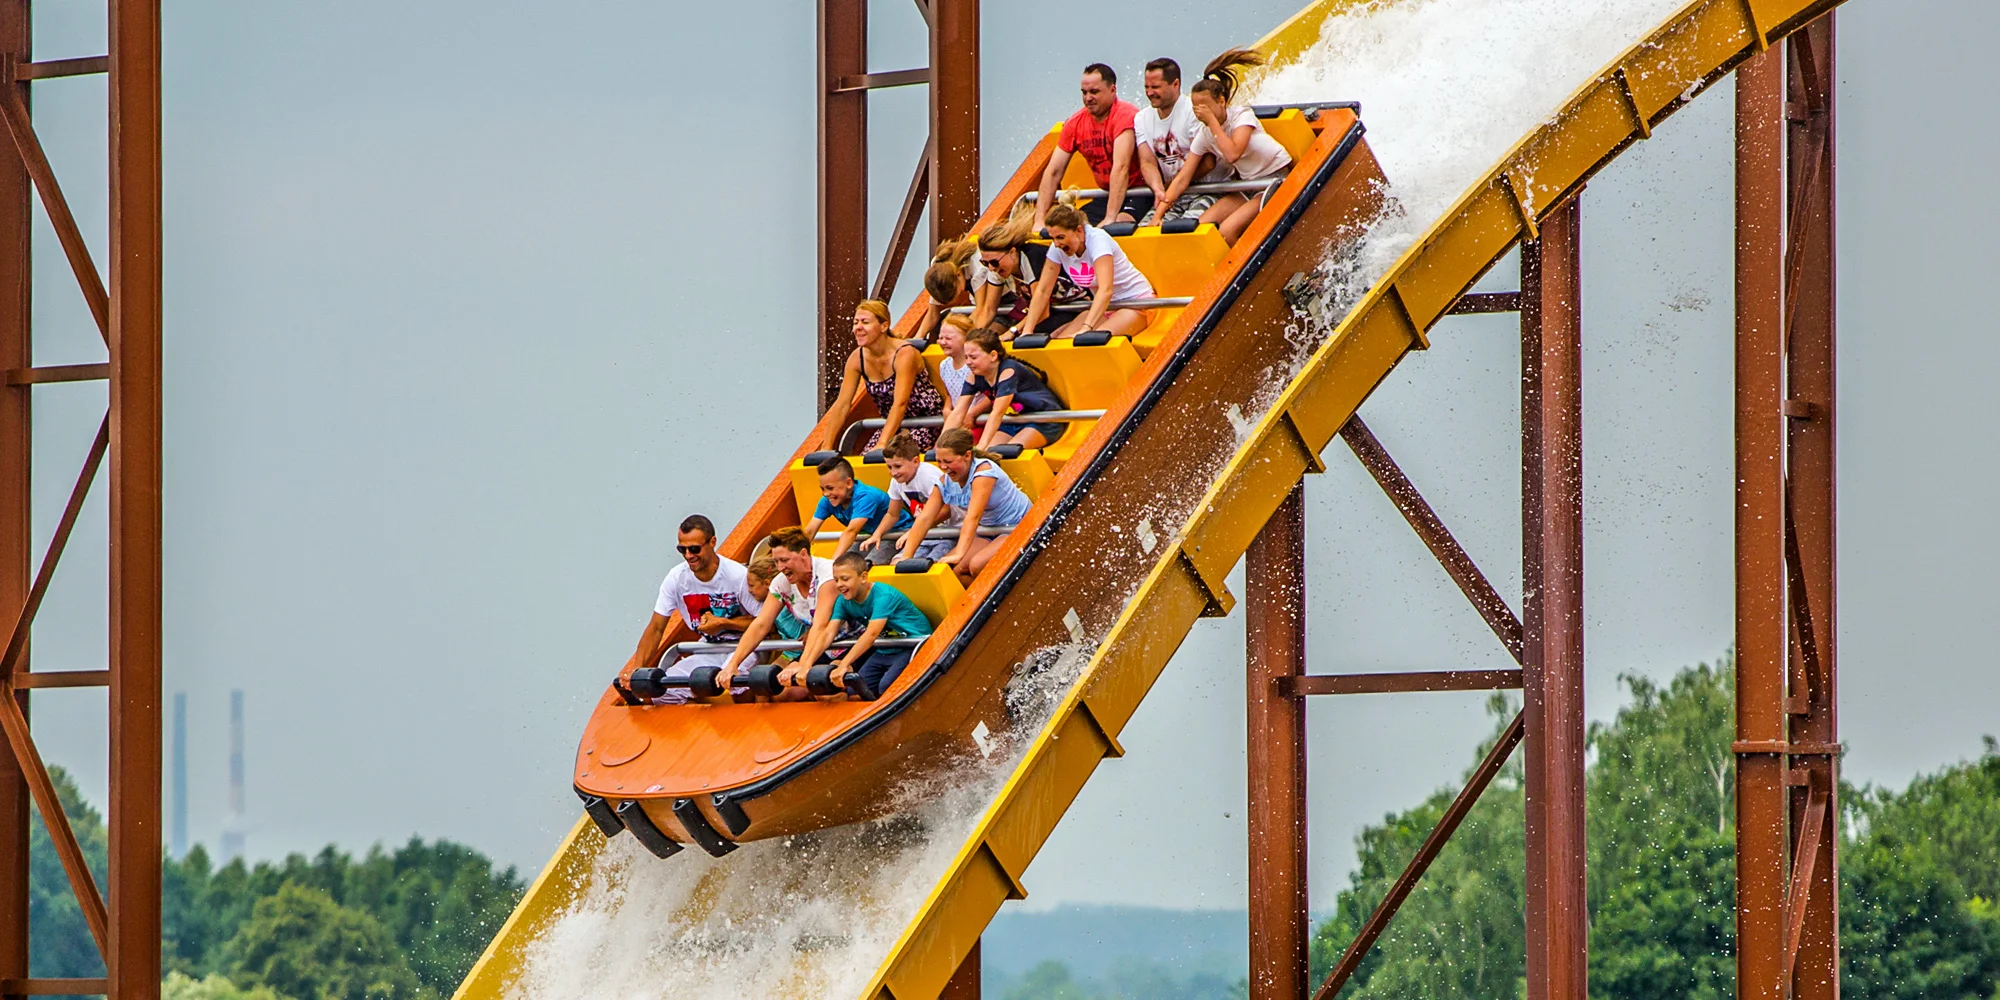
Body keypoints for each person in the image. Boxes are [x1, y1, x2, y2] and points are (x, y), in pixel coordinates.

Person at [625, 515, 763, 704]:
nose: (689, 555)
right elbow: (656, 628)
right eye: (682, 549)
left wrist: (724, 623)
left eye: (695, 549)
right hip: (707, 648)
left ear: (712, 542)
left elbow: (765, 623)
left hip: (746, 646)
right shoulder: (676, 578)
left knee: (733, 678)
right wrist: (637, 669)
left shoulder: (737, 576)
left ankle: (746, 718)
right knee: (664, 693)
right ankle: (704, 724)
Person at [787, 552, 935, 700]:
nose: (839, 585)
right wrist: (806, 665)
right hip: (886, 649)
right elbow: (828, 633)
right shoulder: (843, 601)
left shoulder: (884, 596)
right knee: (855, 691)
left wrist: (844, 664)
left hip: (912, 645)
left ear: (863, 577)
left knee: (887, 686)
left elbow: (871, 634)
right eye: (836, 580)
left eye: (845, 579)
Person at [1189, 48, 1294, 245]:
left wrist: (1212, 123)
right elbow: (1185, 174)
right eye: (1196, 108)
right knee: (1201, 226)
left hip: (1274, 179)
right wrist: (1161, 205)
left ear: (1221, 102)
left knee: (1227, 231)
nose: (1200, 113)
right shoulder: (1205, 134)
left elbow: (1233, 154)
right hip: (1248, 184)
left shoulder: (1242, 116)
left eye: (1204, 107)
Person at [722, 528, 839, 696]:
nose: (780, 567)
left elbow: (820, 624)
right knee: (782, 694)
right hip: (821, 647)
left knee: (822, 690)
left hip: (846, 643)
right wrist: (733, 665)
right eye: (776, 561)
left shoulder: (826, 575)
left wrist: (803, 664)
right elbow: (761, 624)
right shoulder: (781, 583)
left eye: (784, 560)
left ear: (803, 554)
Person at [821, 299, 947, 452]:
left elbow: (900, 402)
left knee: (893, 455)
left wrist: (882, 444)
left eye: (865, 322)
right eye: (855, 323)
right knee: (865, 459)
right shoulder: (857, 358)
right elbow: (842, 404)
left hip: (927, 421)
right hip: (895, 425)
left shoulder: (904, 353)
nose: (857, 328)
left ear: (884, 326)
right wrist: (826, 447)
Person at [915, 427, 1036, 585]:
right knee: (954, 571)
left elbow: (973, 516)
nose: (943, 467)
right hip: (989, 530)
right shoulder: (945, 481)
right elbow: (924, 518)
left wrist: (959, 553)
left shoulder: (983, 472)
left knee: (976, 565)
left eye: (948, 462)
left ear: (967, 455)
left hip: (1016, 525)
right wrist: (906, 556)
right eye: (939, 462)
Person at [1034, 63, 1145, 230]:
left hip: (1139, 192)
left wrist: (1110, 217)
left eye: (1094, 92)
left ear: (1112, 90)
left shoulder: (1125, 115)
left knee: (1119, 224)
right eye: (1084, 93)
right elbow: (1053, 171)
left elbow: (1121, 167)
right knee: (1073, 227)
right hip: (1107, 194)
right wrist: (1039, 220)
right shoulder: (1075, 123)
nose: (1088, 98)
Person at [1024, 202, 1158, 341]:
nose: (1056, 244)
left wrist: (1086, 328)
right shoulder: (1057, 247)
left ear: (1079, 231)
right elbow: (1043, 291)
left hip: (1136, 302)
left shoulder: (1098, 240)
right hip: (1107, 308)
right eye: (1053, 238)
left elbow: (1106, 289)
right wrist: (1027, 331)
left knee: (1089, 341)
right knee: (1061, 342)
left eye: (1060, 237)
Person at [1134, 57, 1226, 227]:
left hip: (1209, 190)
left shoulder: (1192, 112)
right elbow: (1147, 162)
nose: (1149, 92)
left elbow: (1207, 163)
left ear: (1175, 84)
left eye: (1155, 87)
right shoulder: (1141, 118)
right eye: (1146, 87)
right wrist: (1158, 189)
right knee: (1145, 230)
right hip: (1174, 194)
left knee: (1182, 229)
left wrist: (1173, 185)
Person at [974, 205, 1086, 338]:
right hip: (1044, 311)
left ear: (1012, 252)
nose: (991, 268)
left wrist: (1012, 331)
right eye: (985, 263)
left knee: (1026, 337)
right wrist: (973, 336)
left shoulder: (1032, 257)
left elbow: (1042, 312)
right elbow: (988, 309)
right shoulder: (996, 268)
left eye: (994, 262)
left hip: (1071, 307)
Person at [950, 328, 1070, 451]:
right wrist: (942, 445)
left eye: (973, 357)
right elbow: (958, 412)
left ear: (993, 356)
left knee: (1007, 452)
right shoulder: (974, 376)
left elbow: (997, 413)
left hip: (1043, 421)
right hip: (1013, 421)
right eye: (966, 357)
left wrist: (981, 446)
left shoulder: (1008, 371)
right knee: (989, 453)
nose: (968, 362)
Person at [864, 431, 959, 563]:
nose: (893, 472)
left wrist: (915, 530)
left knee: (930, 564)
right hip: (923, 534)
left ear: (915, 461)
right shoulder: (897, 481)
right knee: (897, 563)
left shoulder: (927, 476)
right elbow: (892, 514)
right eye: (889, 467)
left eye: (897, 466)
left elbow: (946, 510)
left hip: (948, 532)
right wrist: (877, 534)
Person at [803, 454, 913, 563]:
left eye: (830, 488)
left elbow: (851, 531)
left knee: (867, 564)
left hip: (896, 533)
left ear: (848, 483)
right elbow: (810, 531)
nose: (826, 494)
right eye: (822, 489)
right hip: (869, 536)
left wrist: (832, 563)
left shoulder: (865, 496)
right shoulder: (827, 500)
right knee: (846, 563)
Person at [910, 237, 988, 344]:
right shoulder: (939, 265)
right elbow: (933, 313)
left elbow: (982, 310)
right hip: (976, 308)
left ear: (959, 275)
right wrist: (917, 339)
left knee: (982, 340)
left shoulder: (977, 263)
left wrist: (961, 335)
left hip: (1000, 305)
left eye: (958, 292)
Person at [936, 314, 975, 416]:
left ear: (966, 338)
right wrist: (947, 409)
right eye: (940, 338)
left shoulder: (975, 364)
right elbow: (950, 393)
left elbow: (989, 396)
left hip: (976, 417)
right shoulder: (944, 365)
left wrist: (973, 413)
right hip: (958, 416)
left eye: (948, 338)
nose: (943, 342)